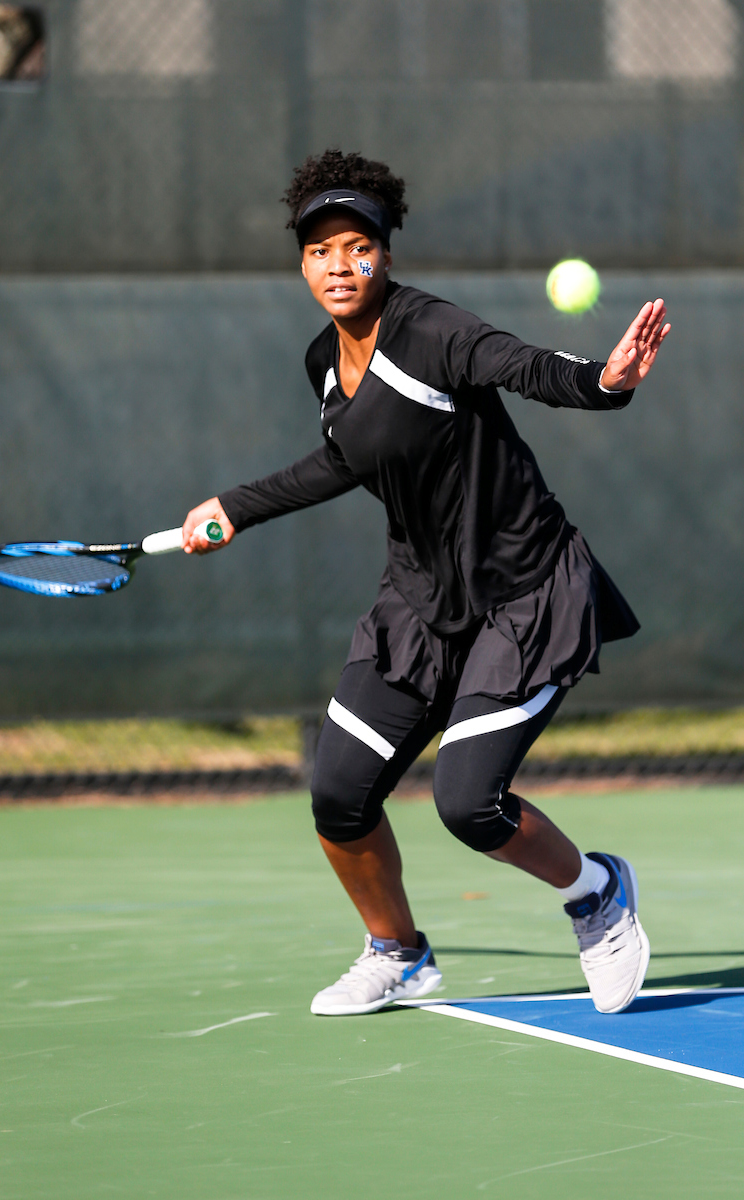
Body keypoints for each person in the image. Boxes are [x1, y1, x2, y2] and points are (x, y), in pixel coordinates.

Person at [182, 150, 669, 1017]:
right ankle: (396, 952)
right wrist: (235, 507)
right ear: (302, 264)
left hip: (522, 594)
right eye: (319, 250)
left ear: (385, 253)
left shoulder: (434, 332)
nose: (338, 264)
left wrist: (603, 381)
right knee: (337, 794)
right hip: (418, 603)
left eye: (355, 244)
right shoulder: (324, 365)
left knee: (466, 802)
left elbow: (527, 367)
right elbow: (343, 460)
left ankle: (595, 891)